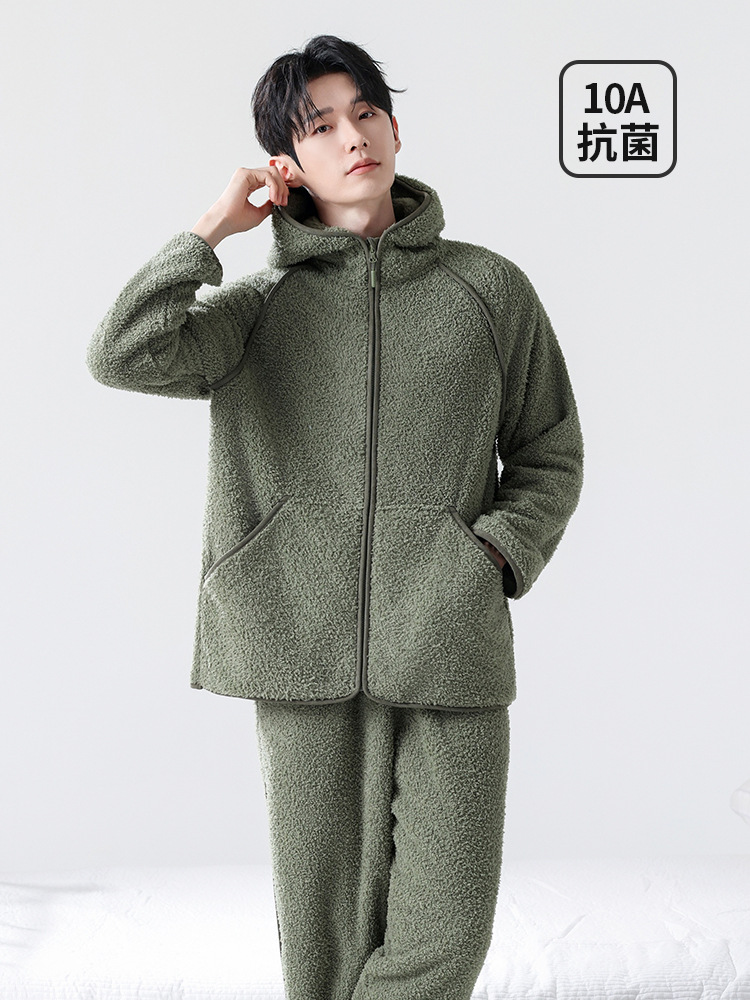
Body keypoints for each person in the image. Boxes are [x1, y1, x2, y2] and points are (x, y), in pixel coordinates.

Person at [86, 33, 584, 1000]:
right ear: (286, 163)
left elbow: (550, 450)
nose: (353, 137)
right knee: (322, 952)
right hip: (295, 641)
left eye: (366, 113)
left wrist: (488, 557)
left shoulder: (489, 290)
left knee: (449, 930)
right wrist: (213, 230)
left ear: (395, 128)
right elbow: (122, 353)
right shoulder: (257, 307)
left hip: (449, 636)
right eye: (320, 127)